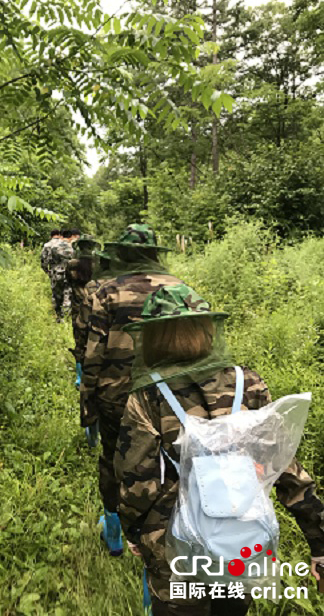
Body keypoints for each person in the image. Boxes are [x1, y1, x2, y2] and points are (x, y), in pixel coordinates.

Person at [114, 283, 324, 615]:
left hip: (174, 544)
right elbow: (284, 466)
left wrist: (135, 530)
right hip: (241, 535)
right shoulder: (247, 382)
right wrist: (318, 541)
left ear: (151, 337)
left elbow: (137, 478)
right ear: (206, 329)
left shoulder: (148, 396)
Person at [80, 223, 183, 555]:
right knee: (167, 466)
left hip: (116, 396)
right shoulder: (181, 289)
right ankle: (160, 540)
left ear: (122, 253)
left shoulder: (107, 291)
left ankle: (114, 532)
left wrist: (88, 398)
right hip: (171, 397)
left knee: (113, 460)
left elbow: (93, 352)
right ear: (154, 253)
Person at [65, 234, 100, 387]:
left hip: (78, 306)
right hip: (96, 304)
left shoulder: (72, 264)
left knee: (79, 339)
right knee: (97, 336)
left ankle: (80, 377)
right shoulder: (99, 264)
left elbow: (67, 281)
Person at [48, 229, 74, 322]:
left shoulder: (54, 247)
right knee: (67, 294)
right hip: (68, 273)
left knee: (57, 295)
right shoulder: (72, 248)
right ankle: (66, 317)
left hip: (56, 273)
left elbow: (49, 260)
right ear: (70, 237)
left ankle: (58, 316)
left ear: (62, 236)